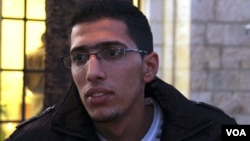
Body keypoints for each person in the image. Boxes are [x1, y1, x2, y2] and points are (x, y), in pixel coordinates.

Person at [5, 0, 237, 141]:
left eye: (113, 53)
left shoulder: (216, 130)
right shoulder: (33, 138)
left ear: (149, 67)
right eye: (80, 57)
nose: (92, 72)